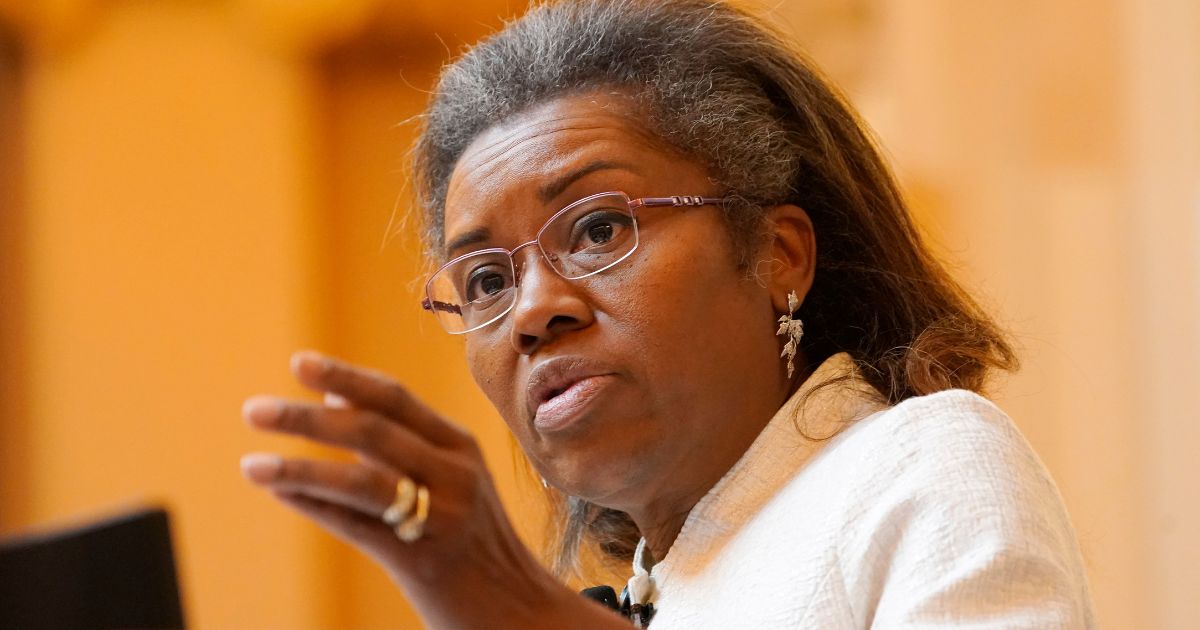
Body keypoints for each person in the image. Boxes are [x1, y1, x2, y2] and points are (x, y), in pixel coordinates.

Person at [240, 0, 1096, 627]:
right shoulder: (656, 584)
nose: (534, 310)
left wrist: (517, 608)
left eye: (600, 227)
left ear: (777, 254)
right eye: (487, 282)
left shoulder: (919, 466)